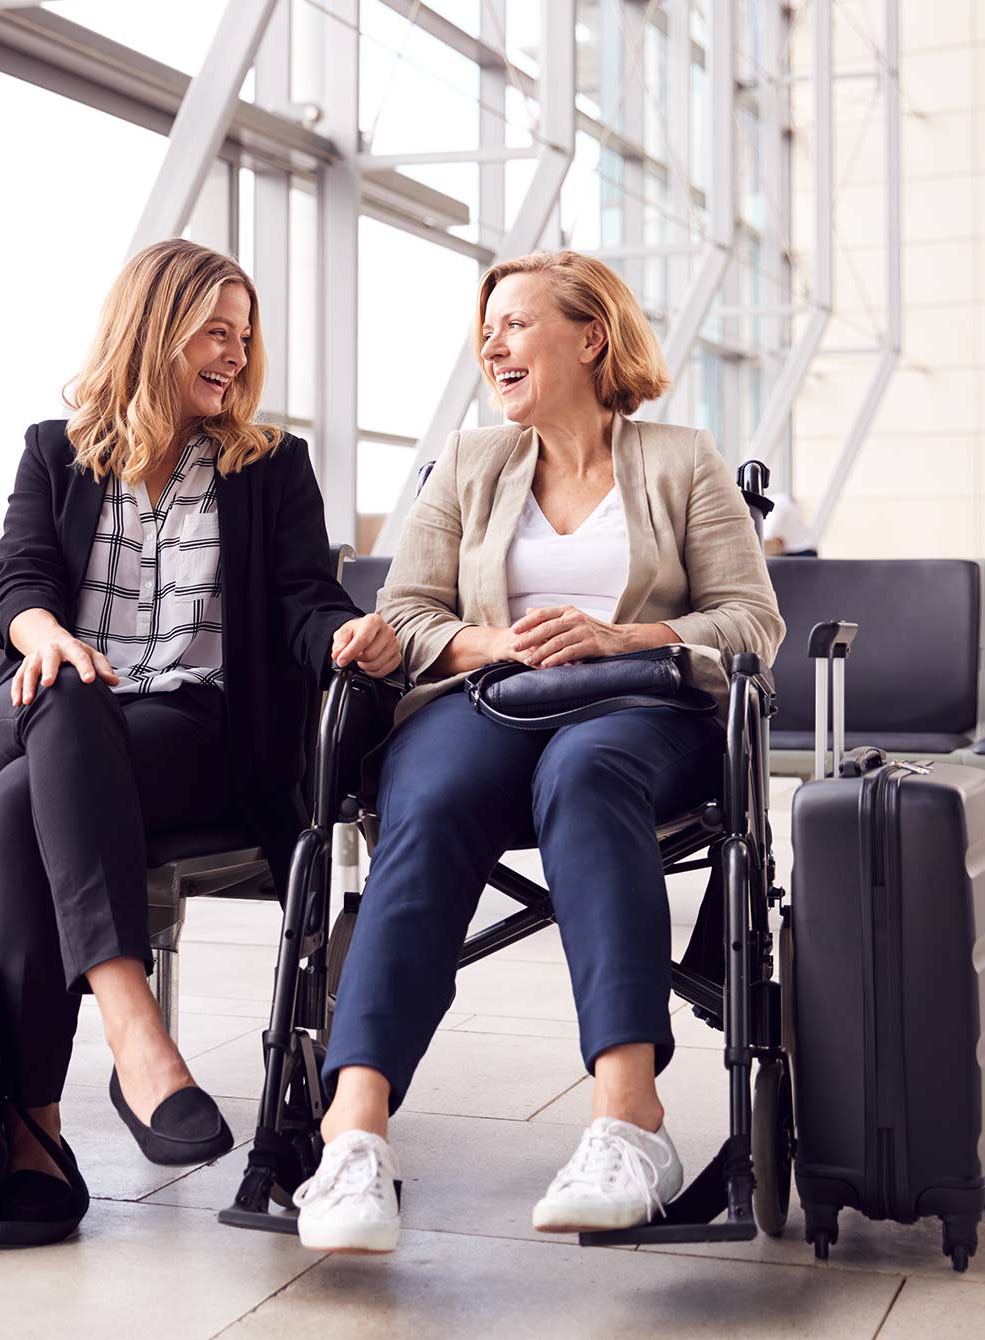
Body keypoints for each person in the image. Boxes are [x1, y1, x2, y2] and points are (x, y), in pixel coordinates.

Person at [0, 240, 400, 1225]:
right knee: (66, 689)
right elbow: (21, 580)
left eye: (245, 338)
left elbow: (303, 599)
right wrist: (44, 638)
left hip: (182, 728)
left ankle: (36, 1138)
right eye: (216, 331)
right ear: (154, 328)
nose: (236, 355)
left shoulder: (271, 467)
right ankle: (136, 1035)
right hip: (34, 699)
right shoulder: (55, 449)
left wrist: (345, 631)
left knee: (27, 805)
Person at [291, 250, 785, 1254]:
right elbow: (410, 611)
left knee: (586, 772)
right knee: (422, 802)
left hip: (639, 710)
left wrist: (627, 637)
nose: (493, 342)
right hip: (488, 699)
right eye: (488, 327)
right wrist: (487, 642)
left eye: (517, 322)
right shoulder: (469, 463)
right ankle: (351, 1136)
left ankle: (629, 1120)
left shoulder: (683, 458)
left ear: (591, 336)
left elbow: (753, 622)